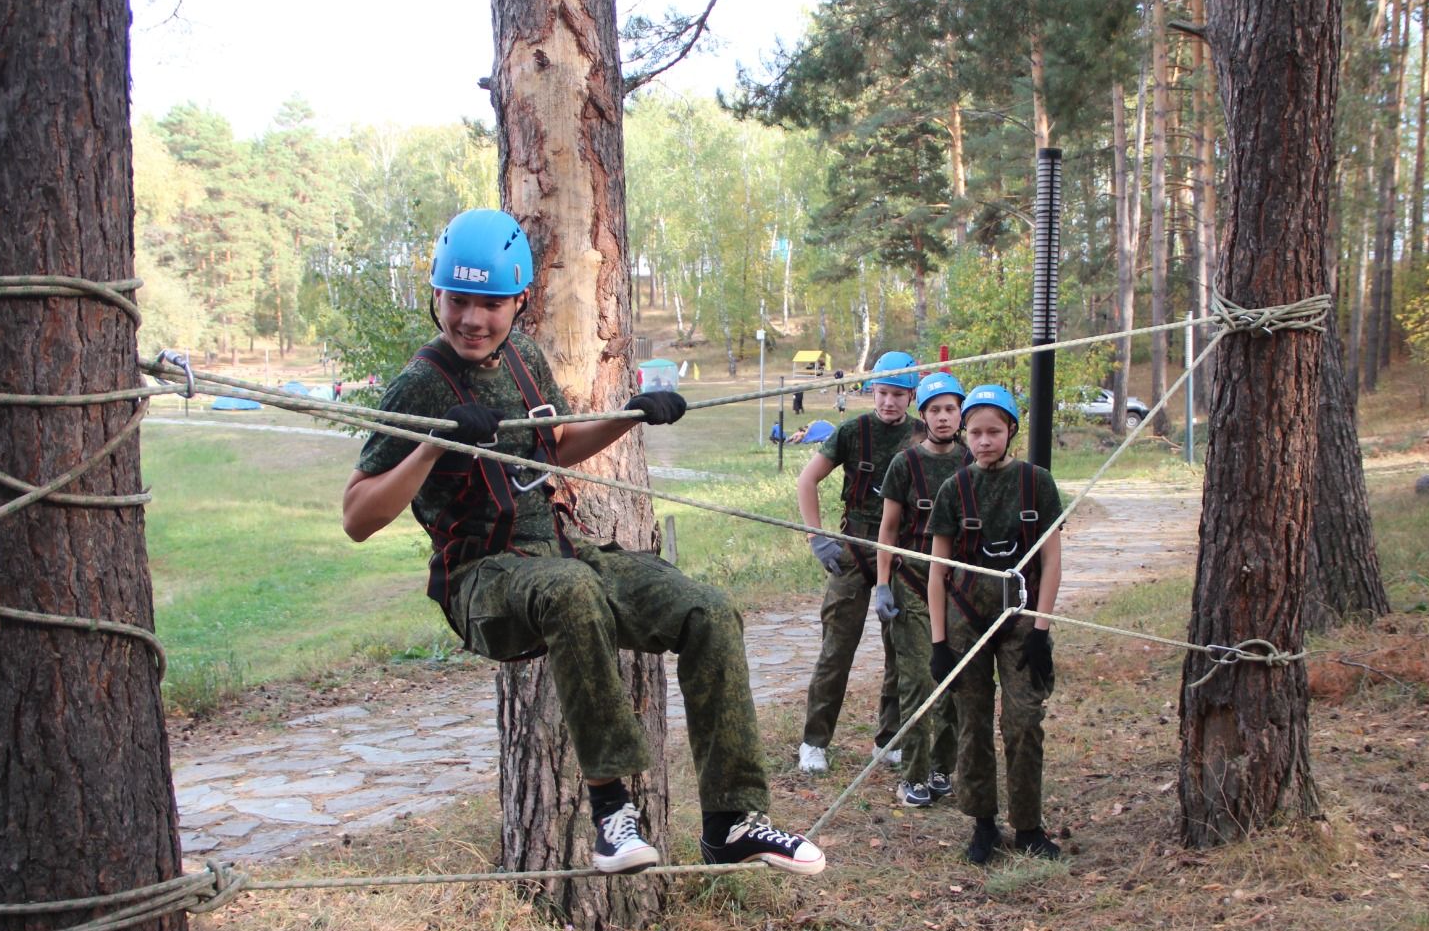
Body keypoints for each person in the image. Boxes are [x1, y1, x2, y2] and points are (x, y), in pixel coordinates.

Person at [342, 208, 824, 877]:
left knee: (708, 611)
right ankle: (611, 811)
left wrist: (629, 417)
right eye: (458, 301)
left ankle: (732, 820)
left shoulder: (526, 358)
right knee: (570, 592)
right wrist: (432, 443)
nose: (472, 320)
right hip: (482, 579)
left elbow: (558, 447)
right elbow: (358, 516)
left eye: (489, 304)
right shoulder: (419, 384)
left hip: (563, 553)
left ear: (519, 302)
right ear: (436, 296)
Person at [926, 385, 1063, 865]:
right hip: (966, 620)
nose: (984, 441)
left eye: (994, 432)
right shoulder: (954, 489)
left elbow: (1051, 561)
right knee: (973, 722)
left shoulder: (1036, 484)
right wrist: (939, 644)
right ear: (966, 435)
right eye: (976, 432)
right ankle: (983, 824)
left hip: (1022, 619)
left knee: (1025, 720)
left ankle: (1027, 826)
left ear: (1011, 432)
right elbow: (937, 572)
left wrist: (1042, 631)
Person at [794, 351, 918, 773]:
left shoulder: (924, 437)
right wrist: (817, 536)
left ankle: (891, 739)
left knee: (899, 649)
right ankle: (814, 742)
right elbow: (807, 479)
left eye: (898, 394)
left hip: (901, 555)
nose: (889, 402)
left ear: (911, 396)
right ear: (873, 391)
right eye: (883, 393)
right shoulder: (851, 432)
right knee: (836, 649)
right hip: (852, 551)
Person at [872, 372, 968, 808]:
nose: (944, 417)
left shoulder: (971, 462)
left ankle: (941, 768)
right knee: (916, 681)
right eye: (935, 410)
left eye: (950, 409)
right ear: (923, 414)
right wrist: (882, 585)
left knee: (953, 682)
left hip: (958, 588)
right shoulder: (905, 464)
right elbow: (888, 530)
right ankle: (912, 775)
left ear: (960, 413)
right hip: (911, 583)